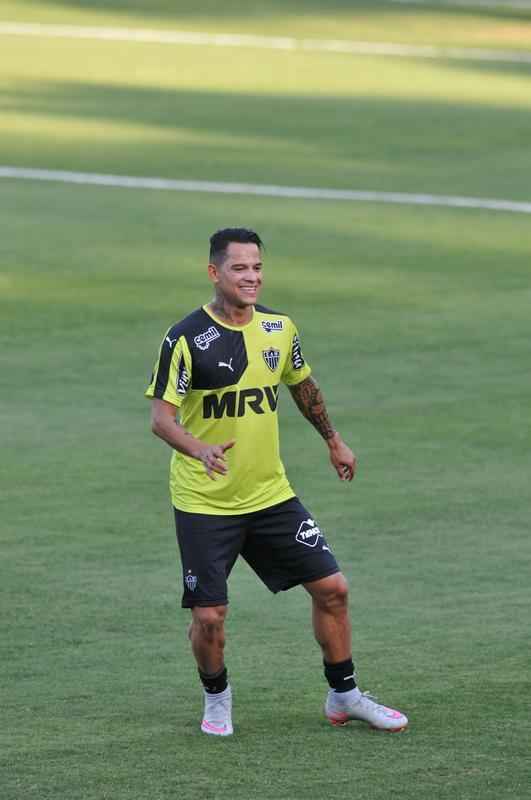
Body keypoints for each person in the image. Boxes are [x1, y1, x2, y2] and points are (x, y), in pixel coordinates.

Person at [145, 227, 408, 736]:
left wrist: (333, 440)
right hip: (206, 501)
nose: (251, 277)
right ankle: (217, 698)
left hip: (270, 494)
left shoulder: (279, 329)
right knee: (210, 617)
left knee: (333, 589)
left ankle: (344, 695)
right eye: (239, 268)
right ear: (214, 272)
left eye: (257, 267)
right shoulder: (184, 339)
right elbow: (161, 419)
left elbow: (302, 385)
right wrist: (199, 449)